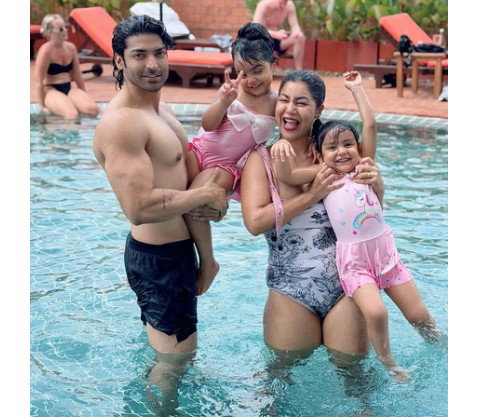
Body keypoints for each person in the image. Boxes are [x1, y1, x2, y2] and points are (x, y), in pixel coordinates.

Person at [92, 14, 228, 410]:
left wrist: (207, 257)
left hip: (176, 255)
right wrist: (208, 196)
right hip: (159, 261)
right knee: (173, 365)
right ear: (119, 61)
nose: (152, 64)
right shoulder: (122, 124)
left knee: (170, 357)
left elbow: (185, 181)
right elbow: (139, 207)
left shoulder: (159, 111)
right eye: (139, 55)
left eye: (159, 53)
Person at [270, 71, 440, 380]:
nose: (342, 151)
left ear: (358, 147)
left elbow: (370, 125)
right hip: (354, 261)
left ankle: (442, 347)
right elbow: (287, 176)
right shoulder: (325, 176)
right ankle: (389, 362)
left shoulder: (363, 167)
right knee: (376, 311)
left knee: (419, 314)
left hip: (385, 251)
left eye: (348, 144)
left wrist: (357, 89)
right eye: (332, 147)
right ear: (319, 155)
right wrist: (279, 148)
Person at [240, 70, 384, 365]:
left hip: (348, 284)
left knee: (355, 378)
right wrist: (312, 195)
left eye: (301, 103)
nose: (290, 109)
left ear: (318, 110)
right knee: (281, 377)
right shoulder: (261, 159)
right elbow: (254, 222)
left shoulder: (337, 154)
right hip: (290, 289)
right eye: (284, 100)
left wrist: (378, 185)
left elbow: (367, 208)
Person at [184, 22, 278, 294]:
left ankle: (208, 261)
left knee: (197, 195)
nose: (250, 80)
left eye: (258, 70)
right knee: (169, 164)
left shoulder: (277, 103)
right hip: (199, 150)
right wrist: (224, 102)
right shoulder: (231, 92)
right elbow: (208, 124)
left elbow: (291, 133)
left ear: (273, 65)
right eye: (242, 72)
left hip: (226, 167)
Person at [34, 14, 99, 119]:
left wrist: (84, 95)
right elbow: (39, 81)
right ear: (49, 32)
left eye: (65, 27)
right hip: (51, 89)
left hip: (68, 87)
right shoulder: (45, 51)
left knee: (93, 109)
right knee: (72, 114)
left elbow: (78, 76)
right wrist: (43, 106)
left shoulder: (71, 48)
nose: (65, 30)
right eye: (60, 29)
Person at [253, 0, 306, 70]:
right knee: (257, 38)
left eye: (285, 3)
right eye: (280, 3)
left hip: (278, 42)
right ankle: (261, 69)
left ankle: (299, 70)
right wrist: (275, 34)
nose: (283, 6)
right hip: (263, 41)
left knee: (300, 36)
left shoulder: (290, 5)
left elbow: (294, 25)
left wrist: (296, 32)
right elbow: (256, 29)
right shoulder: (264, 5)